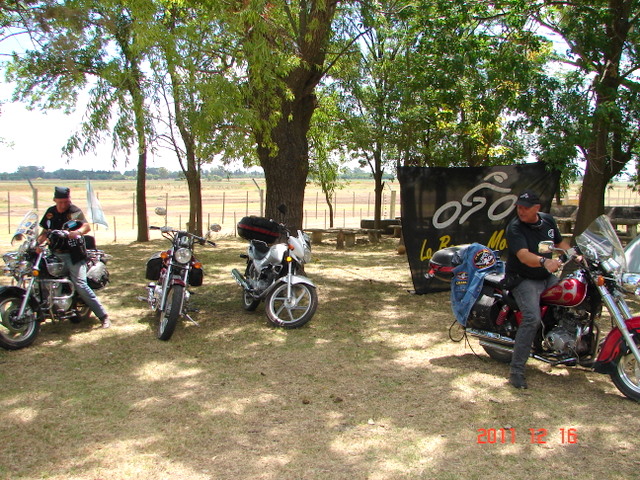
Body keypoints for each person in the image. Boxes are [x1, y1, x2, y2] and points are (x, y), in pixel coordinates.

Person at [505, 190, 571, 389]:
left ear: (537, 208)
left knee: (570, 300)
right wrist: (544, 261)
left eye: (526, 207)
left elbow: (560, 243)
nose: (521, 211)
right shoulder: (515, 227)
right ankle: (516, 371)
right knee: (532, 318)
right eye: (519, 206)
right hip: (524, 279)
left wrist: (574, 254)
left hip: (546, 277)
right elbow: (524, 256)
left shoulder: (547, 221)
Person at [37, 186, 111, 329]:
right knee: (43, 280)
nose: (63, 205)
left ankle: (103, 316)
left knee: (80, 284)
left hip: (74, 255)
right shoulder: (50, 213)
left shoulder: (74, 211)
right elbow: (45, 231)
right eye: (60, 202)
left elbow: (86, 227)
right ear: (54, 200)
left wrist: (77, 232)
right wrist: (38, 243)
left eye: (66, 201)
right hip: (55, 254)